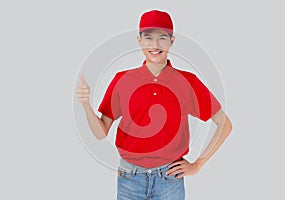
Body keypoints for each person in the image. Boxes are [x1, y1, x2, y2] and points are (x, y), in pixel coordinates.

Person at [77, 9, 232, 200]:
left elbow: (225, 124)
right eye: (148, 38)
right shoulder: (122, 80)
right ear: (139, 40)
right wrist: (85, 105)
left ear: (172, 41)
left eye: (162, 38)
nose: (155, 45)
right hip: (129, 179)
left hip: (170, 180)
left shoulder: (187, 82)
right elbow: (101, 133)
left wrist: (198, 164)